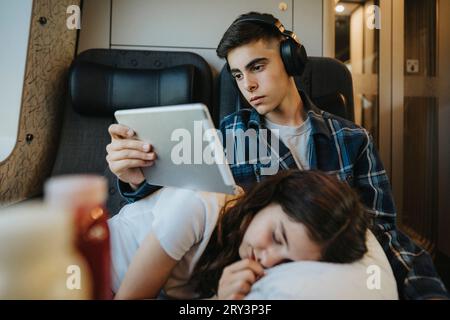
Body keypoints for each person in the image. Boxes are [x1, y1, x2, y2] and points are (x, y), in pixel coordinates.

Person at [106, 12, 449, 299]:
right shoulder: (225, 137)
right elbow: (175, 210)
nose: (247, 85)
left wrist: (426, 293)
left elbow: (383, 233)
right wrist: (135, 179)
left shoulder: (352, 140)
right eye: (238, 75)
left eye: (257, 67)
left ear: (289, 60)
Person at [111, 170, 369, 299]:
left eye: (288, 262)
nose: (268, 261)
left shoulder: (246, 254)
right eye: (277, 237)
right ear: (269, 198)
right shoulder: (197, 205)